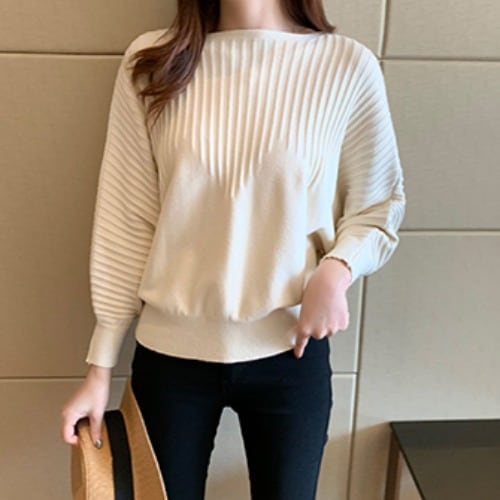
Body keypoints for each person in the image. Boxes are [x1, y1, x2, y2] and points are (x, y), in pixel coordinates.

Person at [60, 0, 406, 498]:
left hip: (291, 350)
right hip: (170, 360)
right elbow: (127, 219)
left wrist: (338, 268)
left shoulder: (346, 65)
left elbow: (378, 205)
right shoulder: (152, 62)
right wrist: (100, 367)